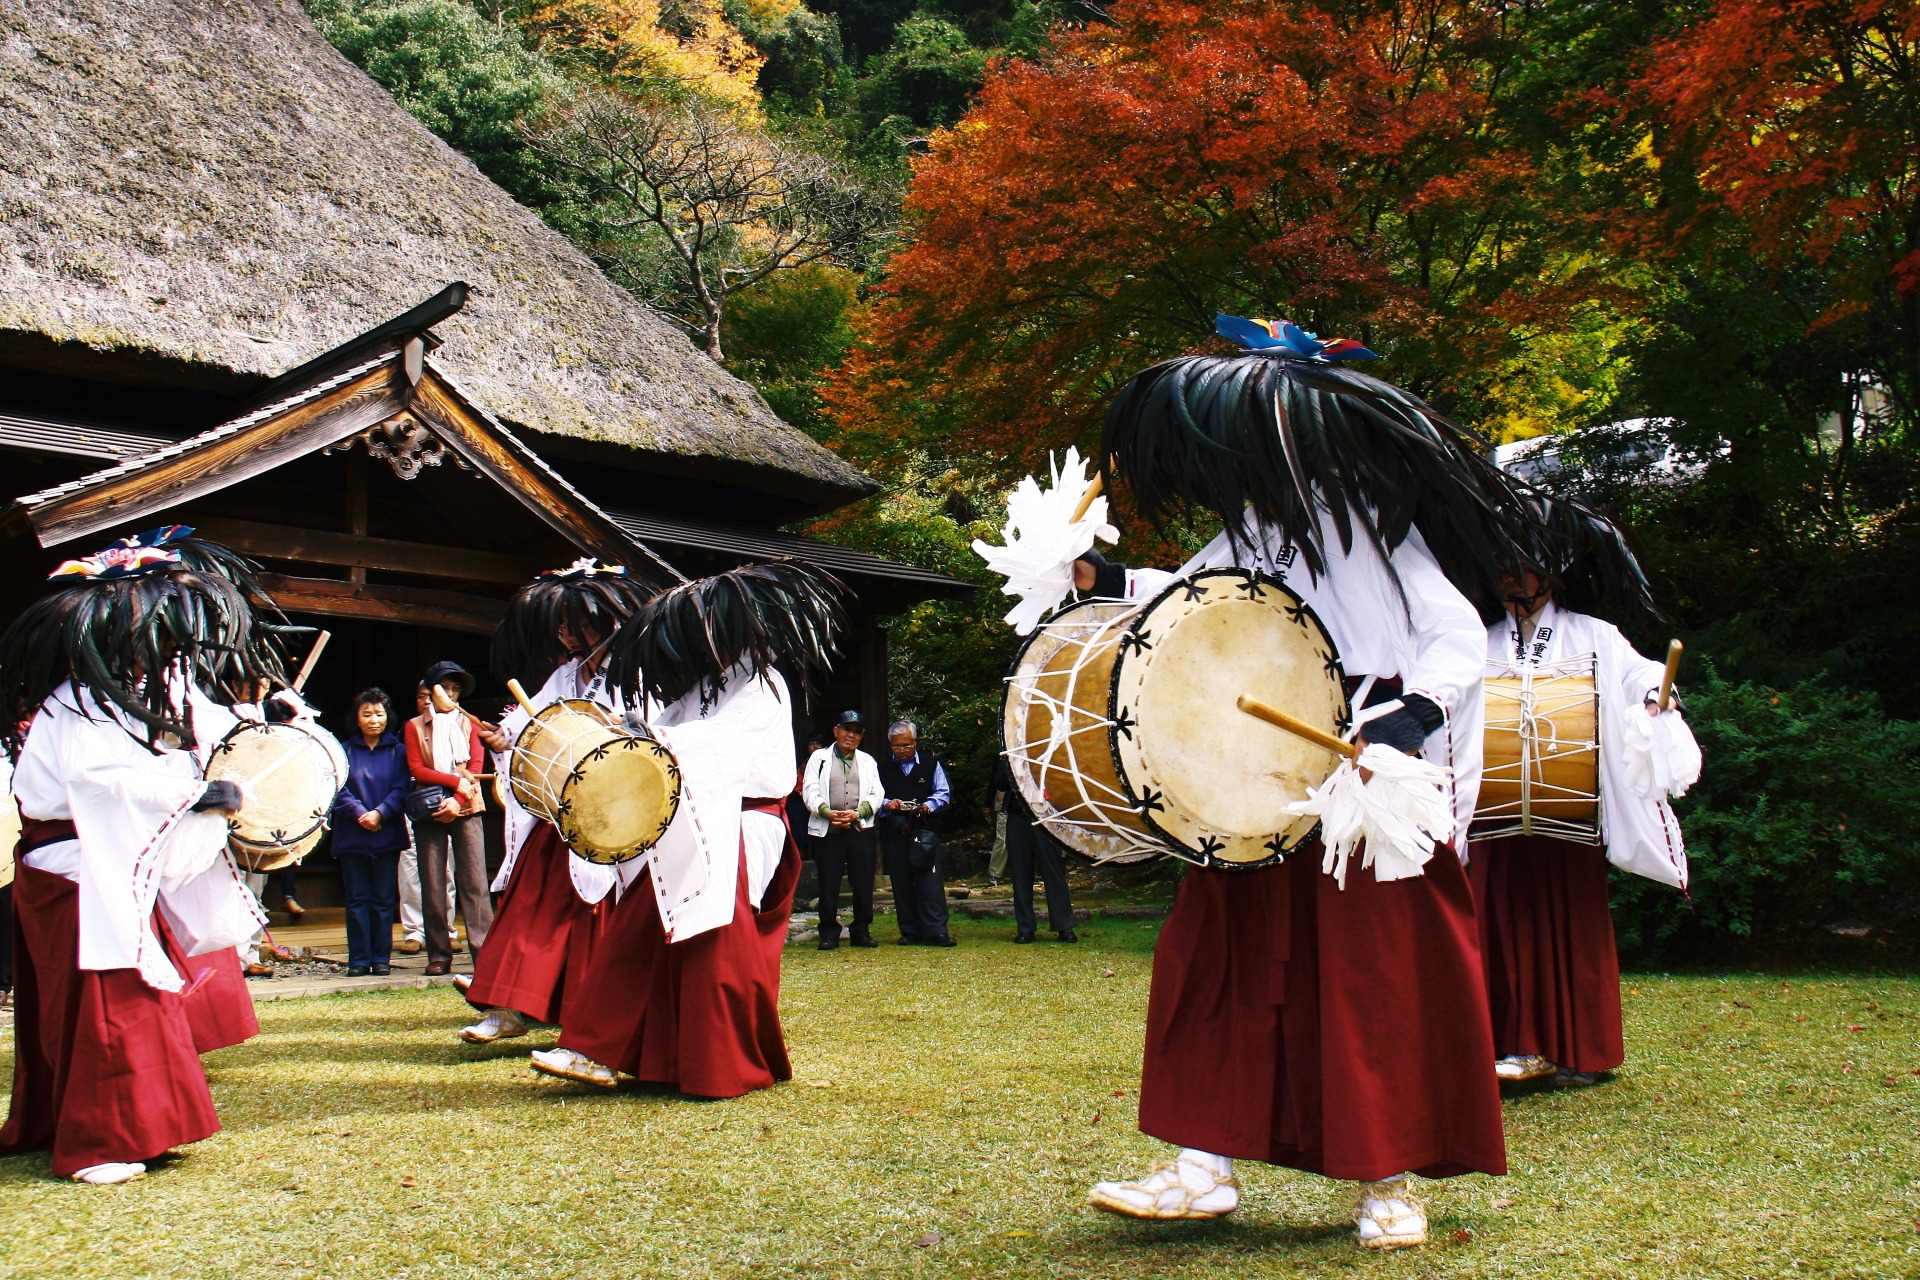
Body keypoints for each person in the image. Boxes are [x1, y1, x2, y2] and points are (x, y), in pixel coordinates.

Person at [976, 319, 1535, 1247]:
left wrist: (1416, 714)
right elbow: (1185, 596)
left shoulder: (1369, 527)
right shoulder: (1253, 527)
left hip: (1359, 779)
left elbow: (1453, 631)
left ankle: (1387, 1184)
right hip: (1251, 783)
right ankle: (1202, 1167)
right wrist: (1102, 575)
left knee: (1373, 975)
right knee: (1216, 960)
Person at [0, 526, 283, 1184]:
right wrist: (195, 795)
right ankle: (100, 1140)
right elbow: (100, 785)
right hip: (74, 872)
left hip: (113, 867)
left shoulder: (139, 695)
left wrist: (263, 727)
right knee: (105, 1006)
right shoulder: (73, 704)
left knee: (135, 1002)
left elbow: (204, 727)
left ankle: (148, 1126)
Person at [531, 562, 842, 1095]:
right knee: (646, 924)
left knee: (708, 940)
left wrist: (656, 740)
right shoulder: (707, 684)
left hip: (744, 825)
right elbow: (669, 728)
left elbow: (717, 744)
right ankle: (609, 1050)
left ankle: (714, 1064)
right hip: (699, 821)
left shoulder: (762, 684)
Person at [1471, 502, 1701, 1086]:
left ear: (1548, 577)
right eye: (1502, 568)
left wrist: (1657, 695)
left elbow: (1642, 673)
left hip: (1570, 808)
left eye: (1520, 568)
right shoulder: (1480, 640)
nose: (1509, 579)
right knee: (1497, 921)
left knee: (1570, 920)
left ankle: (1582, 1053)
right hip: (1495, 812)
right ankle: (1505, 1045)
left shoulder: (1594, 636)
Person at [456, 560, 655, 1045]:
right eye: (561, 626)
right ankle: (506, 1004)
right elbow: (531, 723)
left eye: (576, 624)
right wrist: (503, 739)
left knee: (594, 916)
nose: (566, 634)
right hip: (561, 814)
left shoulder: (635, 673)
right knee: (529, 902)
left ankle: (581, 1012)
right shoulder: (566, 675)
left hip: (615, 813)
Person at [404, 660, 494, 978]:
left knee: (474, 882)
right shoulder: (414, 725)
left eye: (457, 689)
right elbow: (417, 769)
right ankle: (439, 953)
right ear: (431, 691)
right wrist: (455, 783)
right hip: (430, 807)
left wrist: (458, 799)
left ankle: (484, 954)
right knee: (433, 882)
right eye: (446, 687)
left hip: (466, 804)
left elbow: (477, 762)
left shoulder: (468, 723)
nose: (451, 694)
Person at [332, 688, 410, 976]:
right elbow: (337, 787)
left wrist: (380, 813)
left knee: (383, 901)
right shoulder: (343, 750)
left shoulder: (399, 750)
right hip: (352, 835)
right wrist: (360, 813)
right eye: (367, 714)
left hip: (386, 834)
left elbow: (402, 788)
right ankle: (358, 960)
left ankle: (381, 958)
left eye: (379, 714)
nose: (374, 720)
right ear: (357, 718)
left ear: (388, 716)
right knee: (356, 900)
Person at [802, 711, 885, 950]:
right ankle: (828, 931)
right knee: (829, 881)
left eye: (857, 731)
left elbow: (876, 793)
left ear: (862, 736)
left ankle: (861, 930)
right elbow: (810, 790)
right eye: (847, 729)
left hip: (859, 826)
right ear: (836, 731)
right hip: (828, 829)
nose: (851, 735)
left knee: (863, 880)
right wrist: (827, 813)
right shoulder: (819, 758)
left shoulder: (868, 761)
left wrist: (858, 812)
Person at [876, 720, 955, 946]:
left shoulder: (931, 764)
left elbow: (943, 792)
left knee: (929, 879)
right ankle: (910, 930)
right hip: (895, 827)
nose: (902, 751)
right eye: (897, 746)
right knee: (901, 880)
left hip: (924, 828)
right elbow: (872, 795)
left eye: (906, 745)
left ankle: (937, 930)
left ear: (915, 743)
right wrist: (888, 804)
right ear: (890, 745)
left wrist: (928, 806)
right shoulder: (881, 768)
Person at [991, 756, 1077, 943]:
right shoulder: (1009, 751)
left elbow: (1062, 779)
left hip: (1045, 816)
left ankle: (1064, 926)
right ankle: (1025, 928)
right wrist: (1012, 764)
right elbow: (999, 783)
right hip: (1017, 815)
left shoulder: (1047, 748)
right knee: (1020, 874)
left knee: (1053, 872)